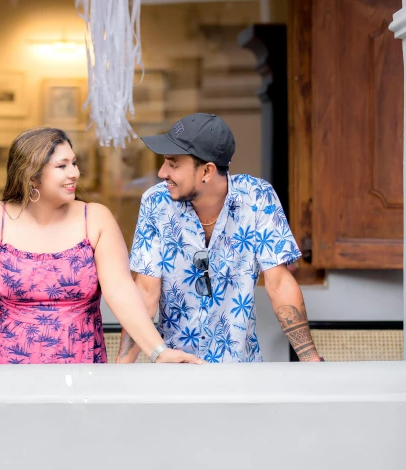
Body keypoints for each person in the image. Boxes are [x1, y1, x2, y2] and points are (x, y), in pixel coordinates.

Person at [0, 127, 202, 367]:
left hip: (79, 365)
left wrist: (157, 352)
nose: (74, 173)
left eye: (74, 163)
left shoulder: (96, 219)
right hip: (1, 366)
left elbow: (121, 292)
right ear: (32, 175)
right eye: (62, 166)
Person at [117, 113, 323, 363]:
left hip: (239, 368)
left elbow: (279, 283)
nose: (162, 173)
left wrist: (313, 362)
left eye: (173, 164)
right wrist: (122, 368)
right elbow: (146, 291)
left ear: (207, 170)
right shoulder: (155, 203)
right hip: (174, 367)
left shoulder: (257, 197)